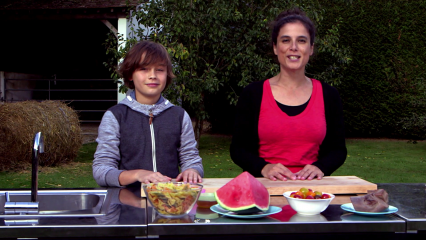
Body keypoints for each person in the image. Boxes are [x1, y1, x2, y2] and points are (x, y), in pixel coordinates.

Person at [230, 8, 347, 181]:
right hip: (263, 191)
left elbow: (338, 150)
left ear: (311, 48)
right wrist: (263, 167)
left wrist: (320, 167)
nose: (293, 47)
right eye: (286, 40)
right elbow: (238, 149)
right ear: (276, 48)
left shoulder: (329, 95)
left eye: (301, 41)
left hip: (312, 194)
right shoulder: (253, 94)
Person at [93, 41, 203, 187]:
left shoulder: (179, 116)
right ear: (131, 74)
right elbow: (102, 171)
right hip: (127, 203)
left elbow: (191, 159)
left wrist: (192, 170)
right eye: (143, 69)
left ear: (167, 74)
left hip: (169, 202)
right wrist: (138, 174)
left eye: (159, 70)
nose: (152, 76)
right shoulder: (115, 116)